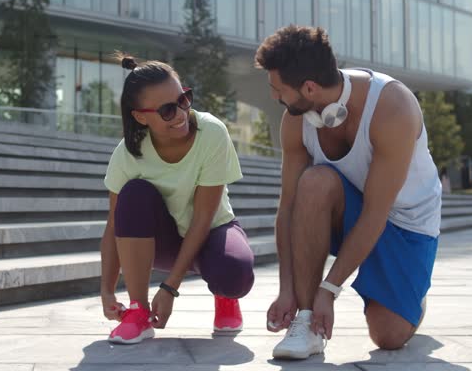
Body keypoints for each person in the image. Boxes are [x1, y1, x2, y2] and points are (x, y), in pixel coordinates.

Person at [255, 25, 441, 359]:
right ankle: (307, 323)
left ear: (309, 87)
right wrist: (289, 292)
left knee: (389, 337)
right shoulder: (295, 119)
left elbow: (376, 213)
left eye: (277, 89)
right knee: (313, 183)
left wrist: (330, 289)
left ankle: (412, 300)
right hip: (342, 209)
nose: (274, 97)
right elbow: (288, 208)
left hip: (404, 224)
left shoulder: (392, 107)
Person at [100, 54, 255, 344]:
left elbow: (203, 219)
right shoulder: (127, 154)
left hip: (211, 232)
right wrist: (107, 290)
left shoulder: (211, 132)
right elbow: (113, 227)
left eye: (184, 100)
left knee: (235, 275)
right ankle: (138, 312)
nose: (182, 113)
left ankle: (225, 298)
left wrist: (170, 288)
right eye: (168, 110)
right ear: (140, 116)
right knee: (132, 195)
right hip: (164, 242)